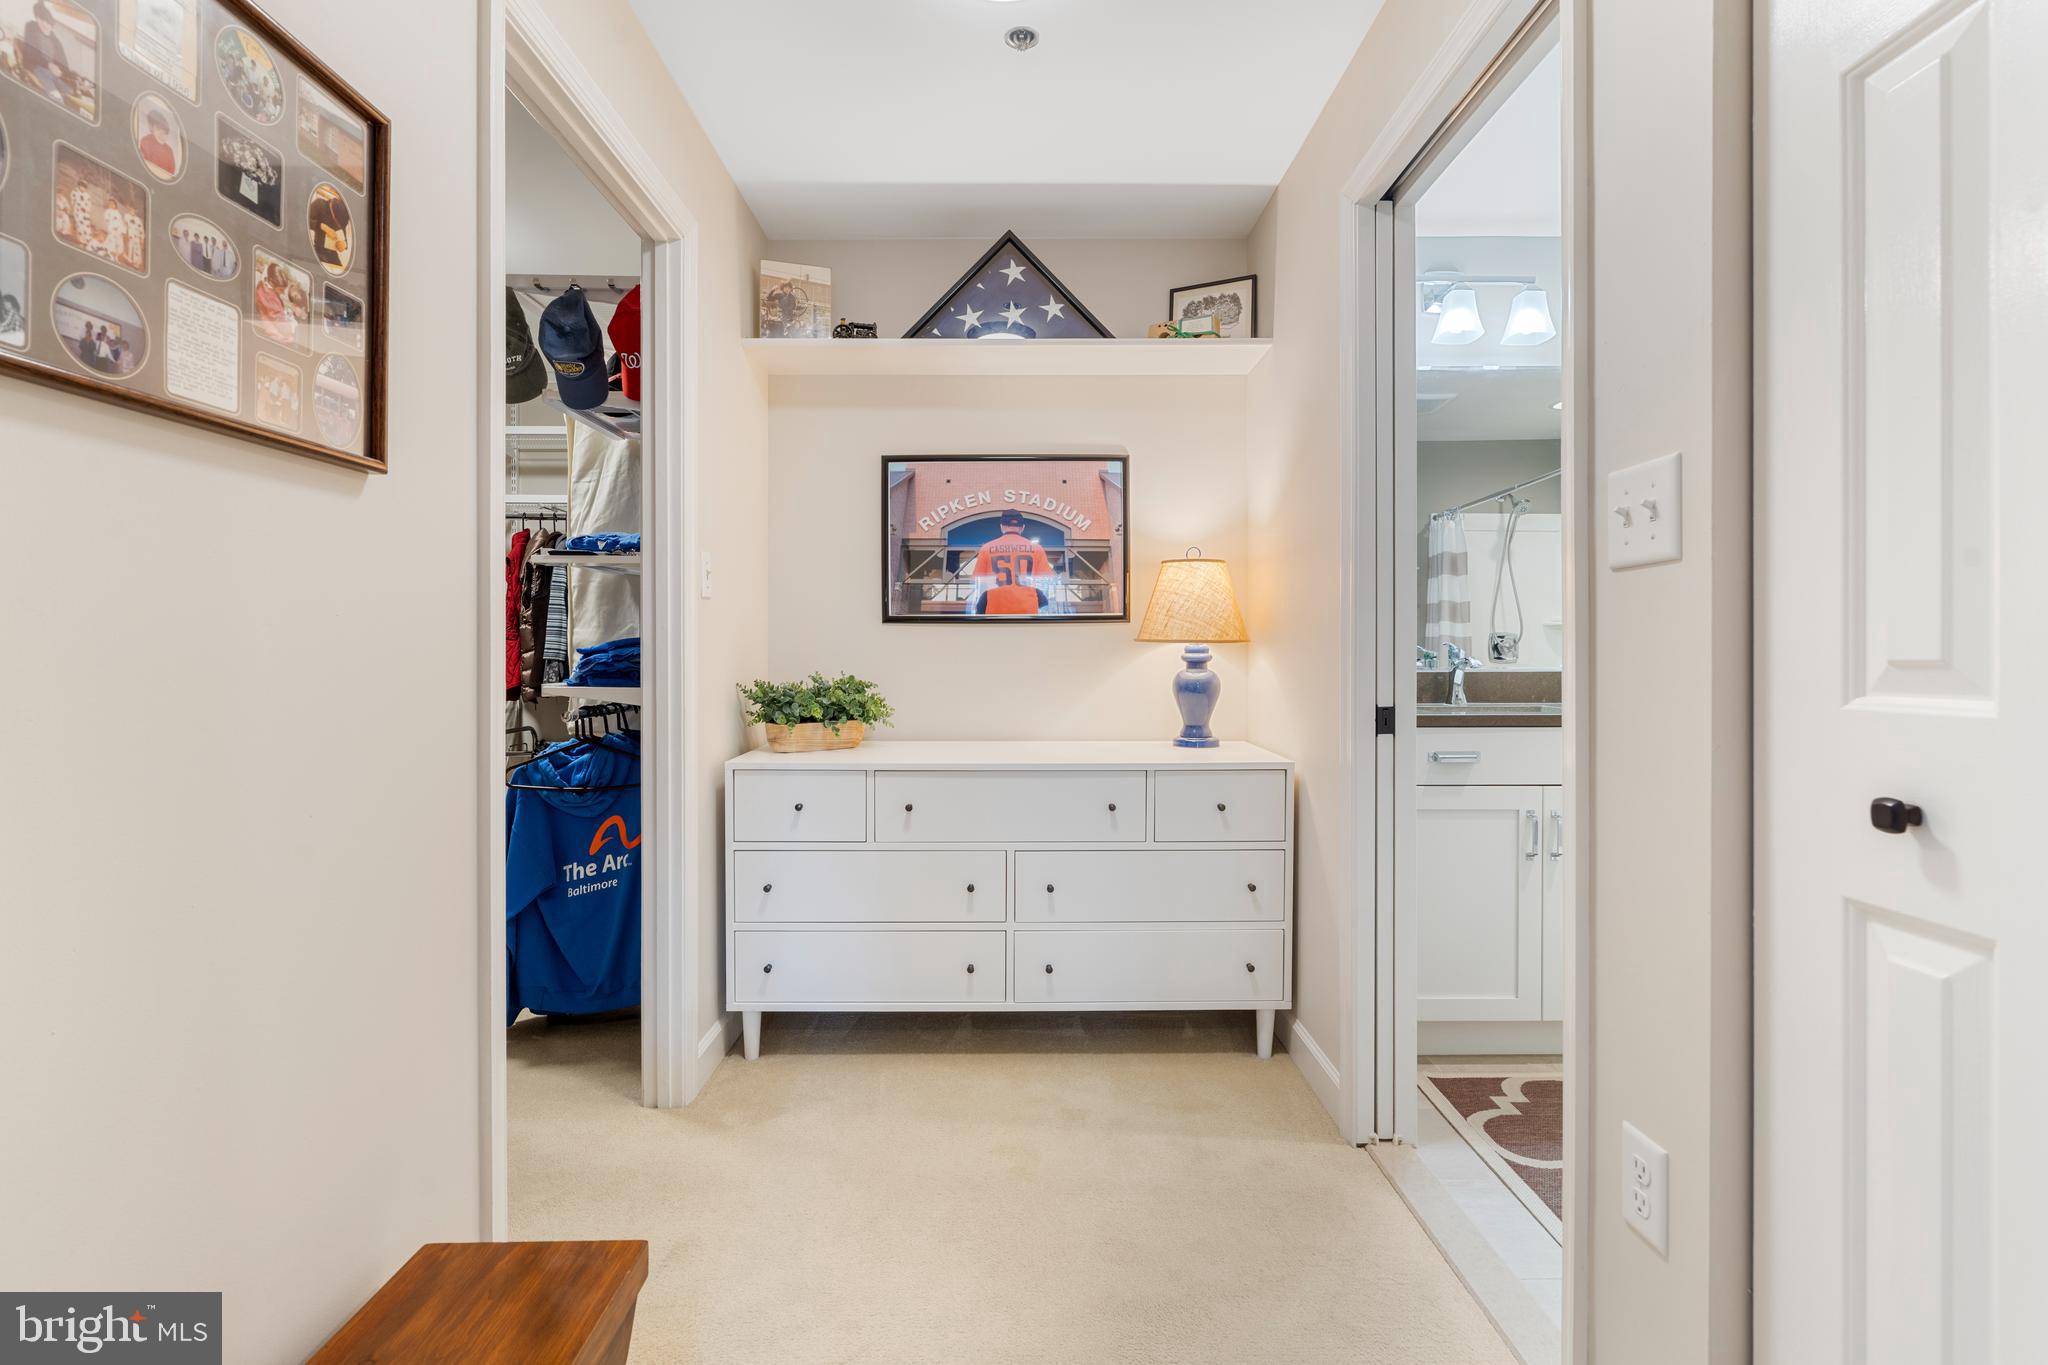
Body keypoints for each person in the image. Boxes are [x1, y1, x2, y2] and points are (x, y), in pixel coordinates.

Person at [969, 510, 1059, 617]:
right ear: (1022, 527)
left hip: (995, 611)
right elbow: (1047, 581)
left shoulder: (986, 548)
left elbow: (976, 582)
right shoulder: (1037, 549)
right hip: (1028, 612)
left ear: (1002, 526)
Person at [138, 109, 178, 178]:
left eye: (166, 133)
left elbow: (171, 173)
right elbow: (143, 163)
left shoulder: (169, 150)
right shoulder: (146, 141)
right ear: (154, 128)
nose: (165, 136)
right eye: (162, 130)